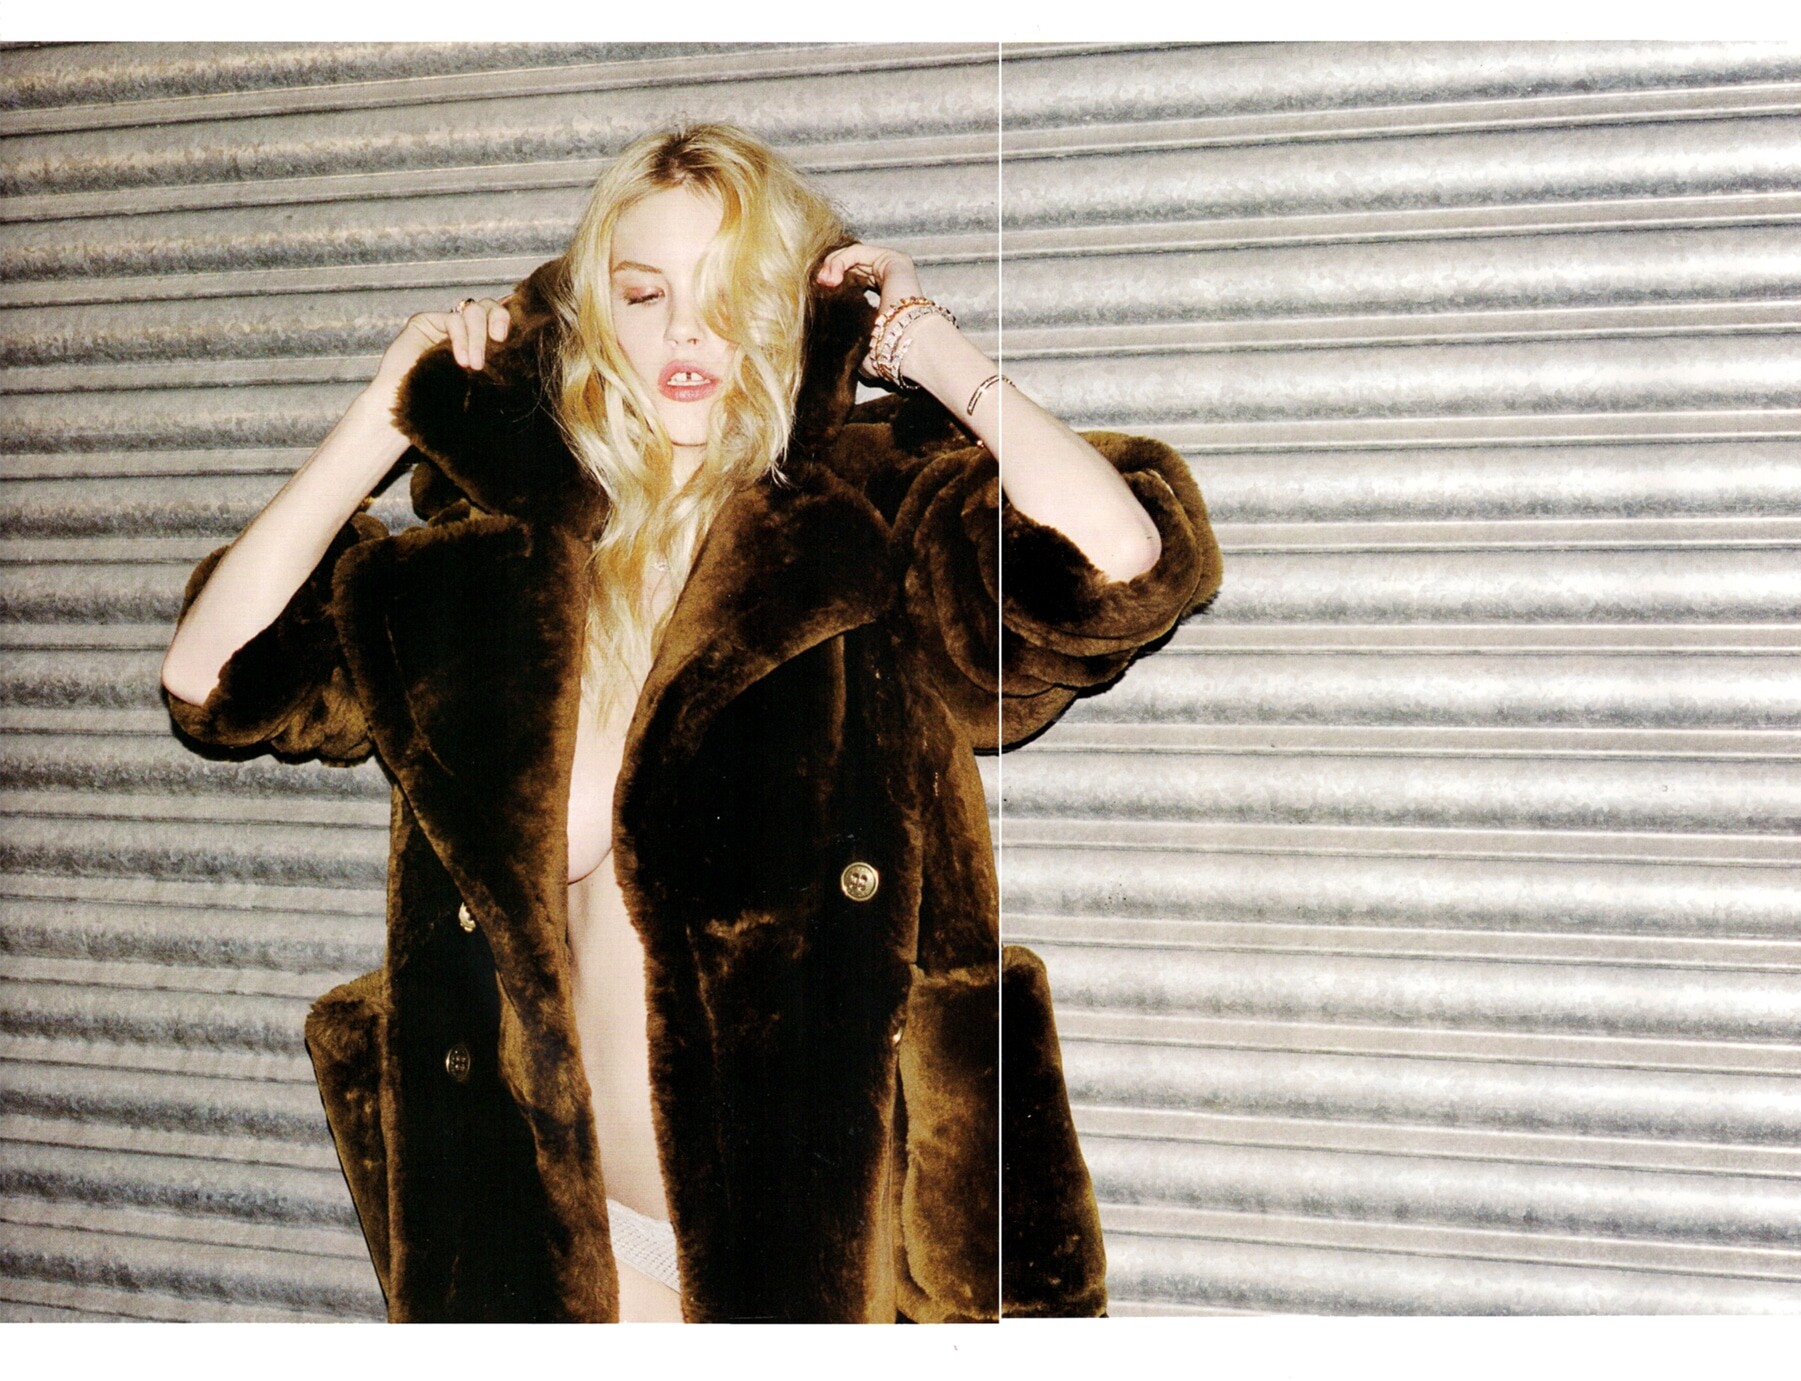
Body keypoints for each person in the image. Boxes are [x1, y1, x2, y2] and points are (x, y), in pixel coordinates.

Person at [159, 123, 1221, 1323]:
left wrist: (925, 348)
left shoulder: (855, 535)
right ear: (591, 316)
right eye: (644, 293)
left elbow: (1120, 561)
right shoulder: (491, 577)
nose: (685, 335)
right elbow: (209, 672)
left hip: (814, 1245)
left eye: (729, 296)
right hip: (538, 1241)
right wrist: (389, 410)